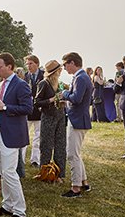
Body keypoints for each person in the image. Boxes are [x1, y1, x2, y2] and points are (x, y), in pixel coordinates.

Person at [0, 53, 33, 217]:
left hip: (11, 135)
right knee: (2, 172)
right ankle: (7, 205)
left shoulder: (21, 85)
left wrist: (5, 107)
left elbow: (28, 108)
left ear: (10, 67)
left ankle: (20, 212)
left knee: (9, 173)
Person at [60, 52, 93, 197]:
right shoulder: (82, 77)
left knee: (72, 154)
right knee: (76, 153)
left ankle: (75, 187)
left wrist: (65, 93)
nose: (65, 68)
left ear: (72, 63)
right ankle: (84, 182)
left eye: (65, 64)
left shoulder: (80, 78)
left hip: (77, 120)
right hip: (79, 118)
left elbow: (77, 98)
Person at [34, 60, 66, 183]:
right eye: (59, 69)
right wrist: (51, 99)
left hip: (60, 116)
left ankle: (59, 174)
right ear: (55, 71)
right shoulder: (44, 83)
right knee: (46, 146)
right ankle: (45, 173)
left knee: (60, 146)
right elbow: (37, 102)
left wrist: (63, 102)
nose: (61, 71)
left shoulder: (60, 84)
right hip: (48, 117)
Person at [24, 55, 43, 167]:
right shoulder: (25, 77)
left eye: (30, 63)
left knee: (38, 137)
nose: (28, 66)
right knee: (23, 136)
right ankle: (20, 160)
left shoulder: (43, 76)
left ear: (37, 64)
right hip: (27, 111)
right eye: (27, 64)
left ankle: (35, 160)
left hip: (39, 111)